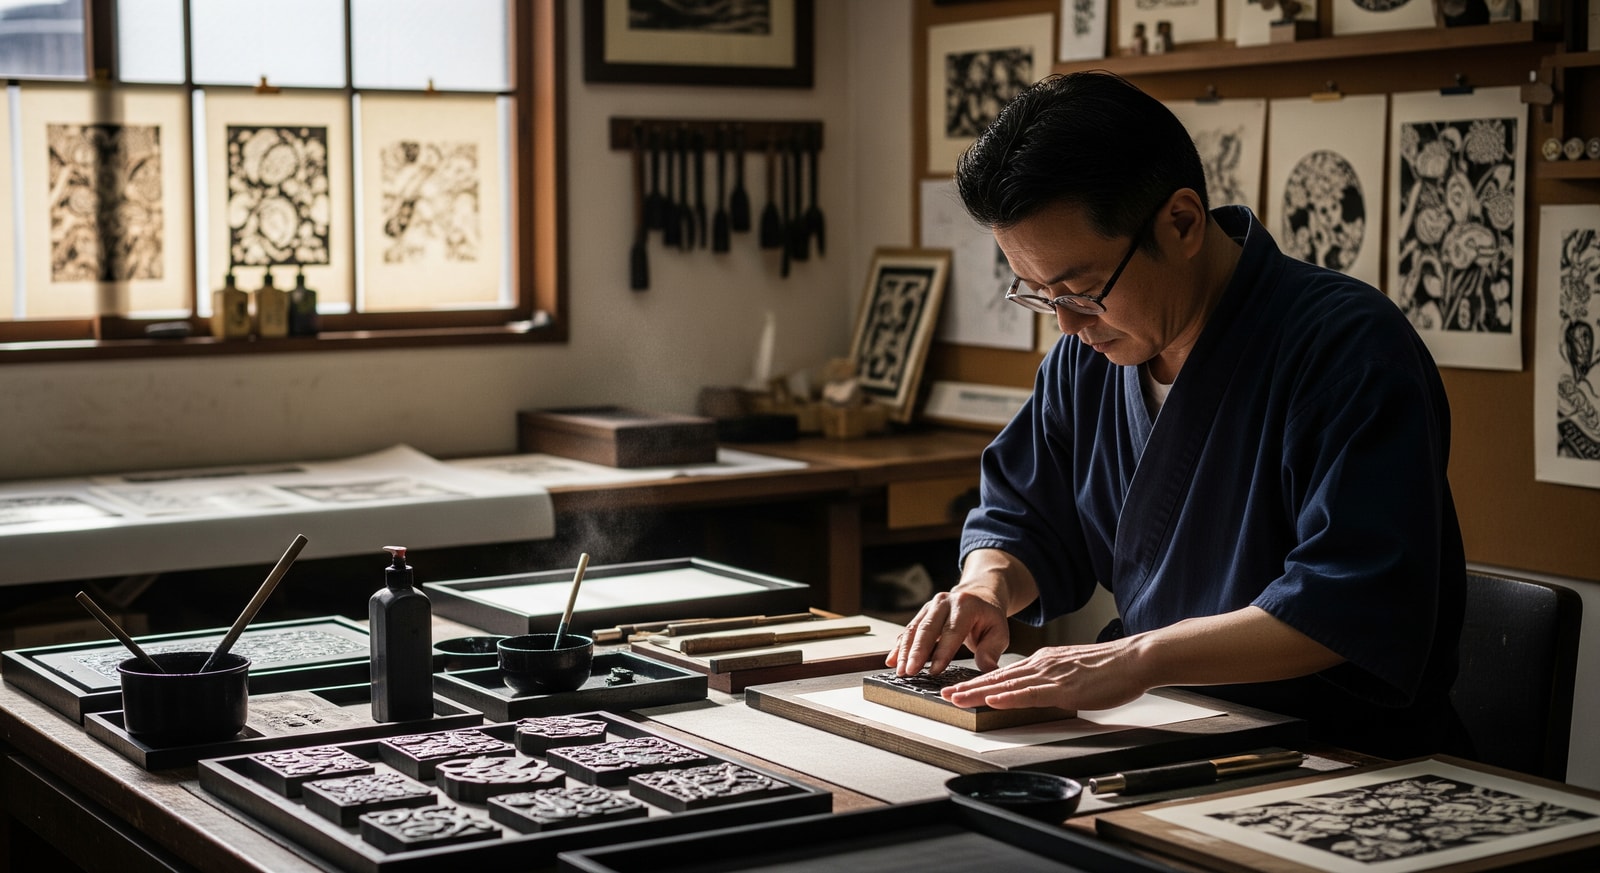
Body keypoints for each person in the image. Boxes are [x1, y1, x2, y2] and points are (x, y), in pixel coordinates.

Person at [887, 72, 1469, 760]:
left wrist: (1139, 659)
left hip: (1335, 756)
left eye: (1083, 289)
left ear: (1183, 222)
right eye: (1040, 294)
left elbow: (1347, 599)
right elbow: (1024, 514)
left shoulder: (1348, 347)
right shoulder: (1087, 359)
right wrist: (986, 585)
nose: (1067, 324)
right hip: (1165, 731)